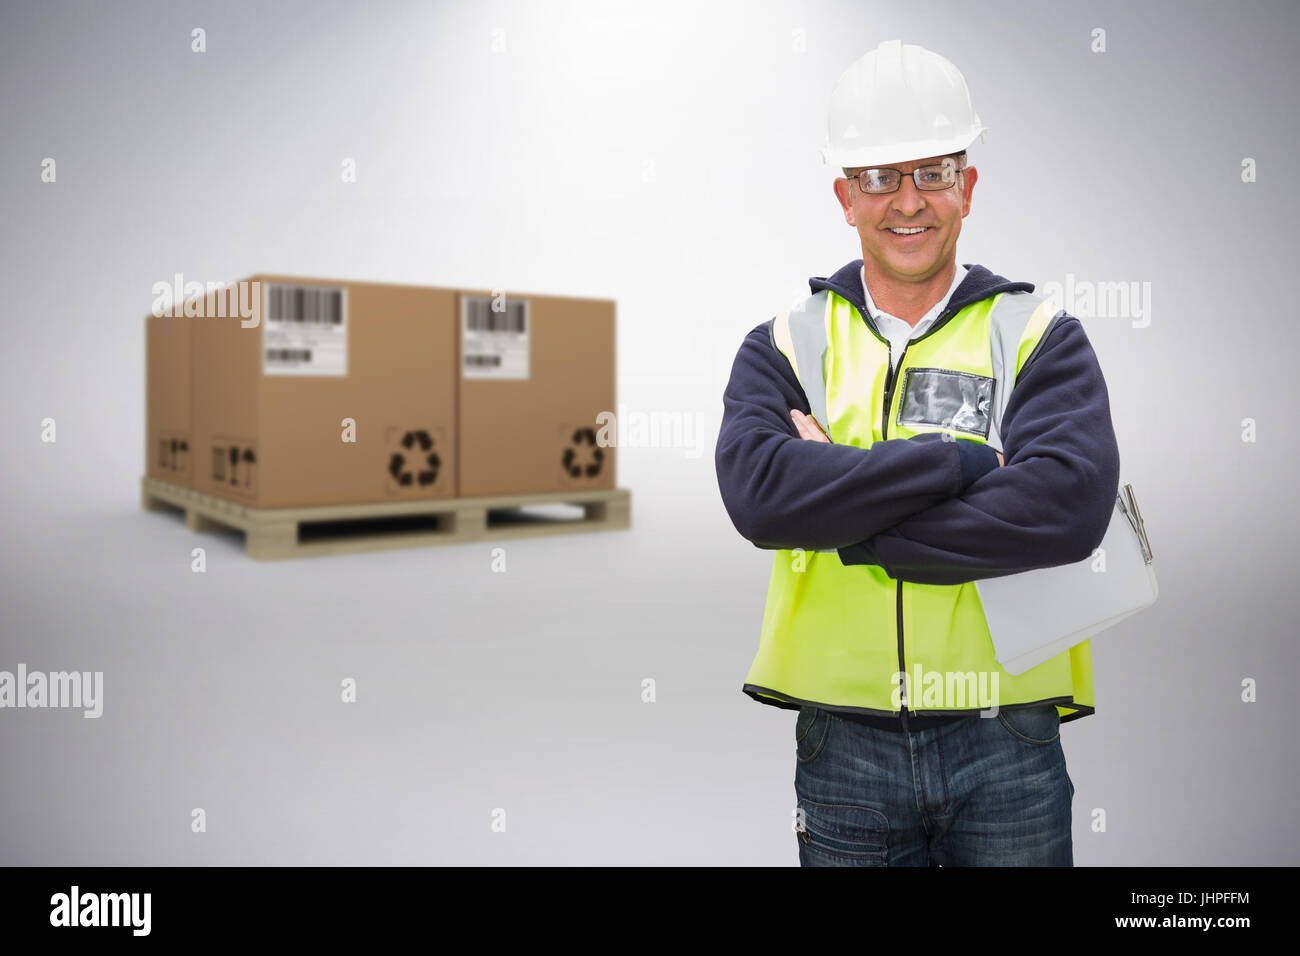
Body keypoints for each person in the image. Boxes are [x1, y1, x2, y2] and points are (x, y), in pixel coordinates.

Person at [713, 40, 1121, 866]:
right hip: (845, 743)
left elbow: (1069, 506)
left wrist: (848, 520)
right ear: (845, 197)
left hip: (1005, 733)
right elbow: (761, 496)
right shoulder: (786, 345)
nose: (908, 200)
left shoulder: (1038, 336)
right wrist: (967, 463)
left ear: (966, 188)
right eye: (878, 177)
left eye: (932, 172)